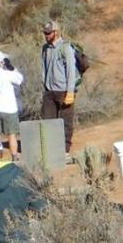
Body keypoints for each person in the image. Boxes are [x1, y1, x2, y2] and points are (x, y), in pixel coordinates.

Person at [39, 20, 79, 156]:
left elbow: (71, 71)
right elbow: (44, 68)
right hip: (49, 91)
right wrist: (44, 86)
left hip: (64, 91)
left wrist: (70, 92)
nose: (46, 35)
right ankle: (51, 148)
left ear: (56, 32)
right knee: (48, 121)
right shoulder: (45, 48)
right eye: (45, 33)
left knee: (66, 121)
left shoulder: (65, 47)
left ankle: (65, 149)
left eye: (49, 33)